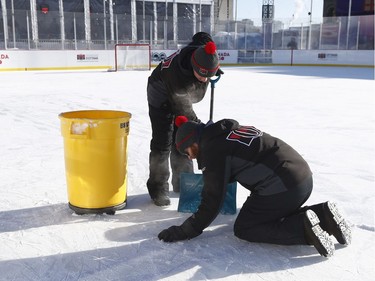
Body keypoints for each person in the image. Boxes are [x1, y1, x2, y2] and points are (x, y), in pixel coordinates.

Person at [158, 117, 352, 257]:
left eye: (187, 152)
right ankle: (324, 215)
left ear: (193, 143)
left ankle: (303, 228)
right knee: (266, 212)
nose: (190, 157)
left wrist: (183, 231)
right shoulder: (226, 133)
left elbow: (211, 203)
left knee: (245, 227)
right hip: (302, 177)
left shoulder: (213, 151)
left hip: (284, 187)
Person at [146, 32, 221, 206]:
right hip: (160, 96)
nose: (205, 79)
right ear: (194, 66)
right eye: (202, 75)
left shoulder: (201, 51)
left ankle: (183, 183)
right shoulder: (177, 77)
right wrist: (203, 130)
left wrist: (213, 67)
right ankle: (158, 189)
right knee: (163, 141)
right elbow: (185, 112)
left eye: (208, 76)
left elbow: (202, 36)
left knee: (184, 141)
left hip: (178, 93)